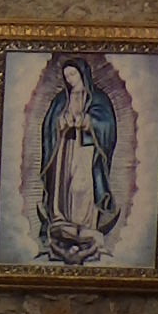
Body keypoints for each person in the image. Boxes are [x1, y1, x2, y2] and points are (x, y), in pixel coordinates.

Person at [37, 57, 121, 264]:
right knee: (62, 185)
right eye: (66, 76)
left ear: (83, 74)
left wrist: (87, 121)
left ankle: (85, 225)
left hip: (86, 150)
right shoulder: (61, 99)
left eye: (73, 74)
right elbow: (49, 125)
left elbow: (107, 124)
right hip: (64, 148)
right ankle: (61, 221)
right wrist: (61, 122)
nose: (70, 79)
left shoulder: (98, 98)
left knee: (81, 187)